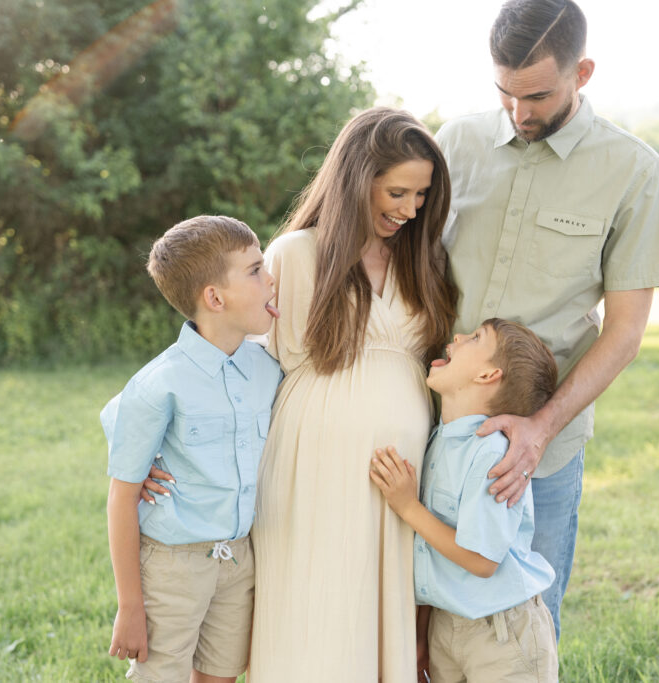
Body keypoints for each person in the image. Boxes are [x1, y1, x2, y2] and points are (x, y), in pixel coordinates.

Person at [435, 0, 659, 641]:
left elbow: (625, 331)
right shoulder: (455, 142)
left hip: (540, 455)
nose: (519, 113)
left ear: (584, 70)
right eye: (504, 93)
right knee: (421, 625)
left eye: (537, 94)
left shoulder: (633, 171)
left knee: (526, 627)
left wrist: (540, 429)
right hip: (430, 433)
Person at [247, 107, 458, 682]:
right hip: (309, 466)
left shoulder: (425, 261)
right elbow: (251, 365)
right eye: (397, 191)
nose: (410, 209)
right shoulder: (295, 254)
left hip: (399, 477)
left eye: (421, 195)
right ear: (357, 177)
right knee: (314, 610)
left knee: (380, 611)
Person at [101, 215, 282, 683]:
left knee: (222, 675)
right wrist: (130, 606)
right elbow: (121, 494)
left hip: (239, 559)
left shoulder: (266, 367)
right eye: (256, 270)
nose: (272, 279)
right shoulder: (161, 382)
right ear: (214, 298)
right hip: (172, 566)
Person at [371, 317, 560, 683]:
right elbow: (431, 555)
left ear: (488, 375)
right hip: (448, 624)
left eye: (475, 338)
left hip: (501, 634)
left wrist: (408, 507)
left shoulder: (492, 455)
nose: (456, 336)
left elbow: (481, 560)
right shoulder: (440, 439)